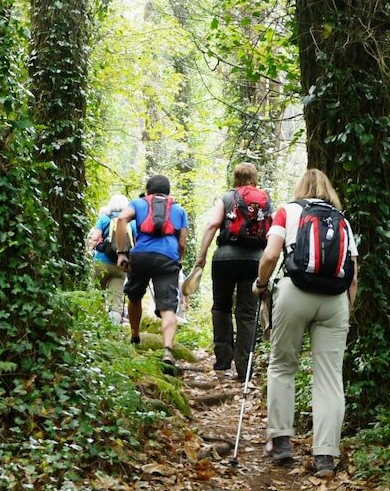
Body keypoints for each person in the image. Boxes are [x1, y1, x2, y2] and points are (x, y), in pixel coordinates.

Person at [253, 168, 358, 477]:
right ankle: (325, 456)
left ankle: (282, 442)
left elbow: (271, 255)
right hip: (335, 300)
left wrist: (261, 284)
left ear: (301, 188)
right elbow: (353, 274)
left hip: (294, 292)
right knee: (329, 378)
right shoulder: (343, 221)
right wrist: (346, 310)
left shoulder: (289, 211)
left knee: (283, 365)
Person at [195, 162, 273, 381]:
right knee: (247, 313)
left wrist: (201, 256)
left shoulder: (228, 197)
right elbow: (273, 227)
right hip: (254, 261)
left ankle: (222, 361)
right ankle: (244, 367)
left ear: (235, 177)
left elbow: (212, 225)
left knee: (221, 307)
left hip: (224, 259)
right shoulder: (265, 199)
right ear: (255, 177)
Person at [115, 174, 188, 377]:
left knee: (135, 296)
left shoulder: (138, 203)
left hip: (141, 255)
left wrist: (121, 252)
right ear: (168, 192)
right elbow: (182, 242)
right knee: (168, 308)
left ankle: (135, 337)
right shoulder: (178, 209)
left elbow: (121, 219)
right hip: (168, 258)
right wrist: (176, 260)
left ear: (148, 191)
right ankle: (167, 350)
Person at [87, 194, 134, 325]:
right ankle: (113, 329)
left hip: (101, 262)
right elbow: (135, 243)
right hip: (121, 265)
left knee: (97, 295)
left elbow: (95, 238)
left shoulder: (104, 219)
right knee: (116, 300)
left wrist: (92, 247)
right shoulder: (132, 222)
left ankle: (97, 326)